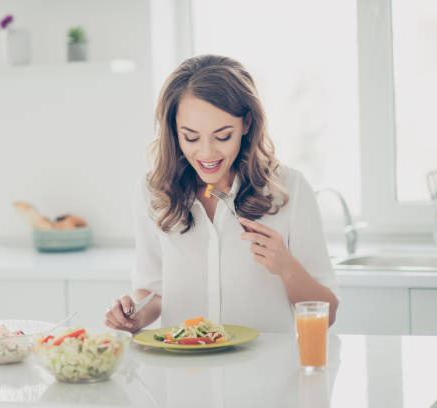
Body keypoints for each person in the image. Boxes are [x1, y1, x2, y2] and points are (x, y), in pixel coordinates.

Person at [104, 55, 339, 333]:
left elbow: (327, 314)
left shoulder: (290, 190)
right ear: (173, 130)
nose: (207, 153)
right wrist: (134, 315)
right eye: (191, 137)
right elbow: (153, 291)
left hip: (267, 372)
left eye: (223, 135)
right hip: (183, 370)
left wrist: (286, 267)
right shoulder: (153, 193)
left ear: (247, 124)